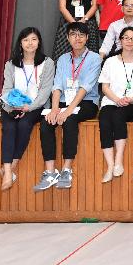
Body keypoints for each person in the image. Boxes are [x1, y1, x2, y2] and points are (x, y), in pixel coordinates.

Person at [34, 22, 101, 191]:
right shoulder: (63, 59)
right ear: (67, 37)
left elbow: (86, 87)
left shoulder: (94, 58)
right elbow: (57, 86)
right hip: (64, 102)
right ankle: (50, 172)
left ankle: (66, 169)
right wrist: (55, 109)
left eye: (80, 35)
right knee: (46, 122)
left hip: (86, 102)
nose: (77, 38)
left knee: (70, 120)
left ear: (87, 38)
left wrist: (68, 110)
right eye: (73, 34)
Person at [0, 28, 54, 191]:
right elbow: (6, 90)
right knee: (8, 127)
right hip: (11, 106)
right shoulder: (11, 64)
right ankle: (8, 172)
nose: (30, 43)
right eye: (26, 40)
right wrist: (12, 108)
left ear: (39, 42)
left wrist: (28, 107)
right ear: (20, 43)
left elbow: (45, 92)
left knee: (24, 125)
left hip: (35, 106)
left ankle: (10, 168)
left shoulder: (47, 63)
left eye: (33, 39)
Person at [97, 26, 133, 183]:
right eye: (126, 37)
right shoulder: (110, 61)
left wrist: (132, 98)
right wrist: (117, 99)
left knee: (119, 115)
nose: (129, 41)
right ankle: (110, 165)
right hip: (111, 100)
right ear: (120, 40)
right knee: (105, 119)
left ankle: (118, 160)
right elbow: (104, 87)